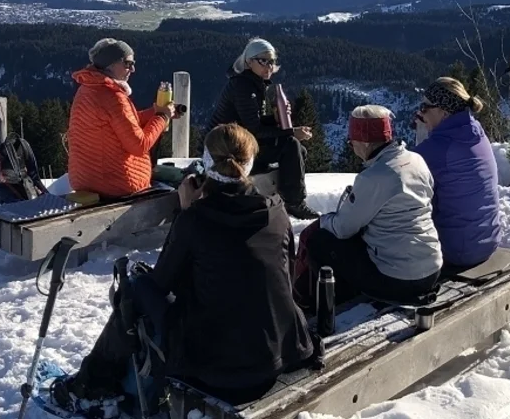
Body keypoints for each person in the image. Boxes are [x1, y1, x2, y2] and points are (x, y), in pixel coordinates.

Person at [52, 123, 320, 414]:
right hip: (282, 351)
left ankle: (88, 386)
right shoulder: (276, 211)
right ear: (249, 163)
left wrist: (185, 210)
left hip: (219, 368)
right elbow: (285, 274)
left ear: (207, 164)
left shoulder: (195, 220)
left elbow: (161, 283)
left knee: (137, 288)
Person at [293, 105, 442, 308]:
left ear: (364, 142)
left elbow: (343, 228)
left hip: (399, 279)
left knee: (320, 242)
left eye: (351, 141)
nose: (352, 147)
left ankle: (333, 304)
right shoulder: (416, 160)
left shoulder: (374, 177)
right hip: (432, 267)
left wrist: (323, 221)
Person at [209, 37, 319, 220]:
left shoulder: (250, 83)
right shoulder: (243, 87)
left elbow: (252, 123)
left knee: (297, 149)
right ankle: (294, 203)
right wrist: (291, 132)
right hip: (225, 151)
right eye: (263, 61)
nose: (269, 66)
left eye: (272, 61)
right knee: (291, 145)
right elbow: (254, 130)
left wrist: (276, 120)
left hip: (233, 144)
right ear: (249, 61)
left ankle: (288, 198)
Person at [411, 77, 502, 272]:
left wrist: (422, 134)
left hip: (458, 251)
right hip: (487, 241)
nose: (420, 112)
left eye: (425, 107)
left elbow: (404, 172)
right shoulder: (475, 130)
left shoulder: (438, 148)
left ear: (444, 112)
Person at [67, 38, 177, 199]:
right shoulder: (113, 97)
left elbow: (123, 124)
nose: (133, 69)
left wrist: (155, 112)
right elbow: (139, 146)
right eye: (127, 63)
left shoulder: (87, 89)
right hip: (116, 184)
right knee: (178, 187)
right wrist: (162, 116)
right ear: (110, 64)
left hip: (84, 181)